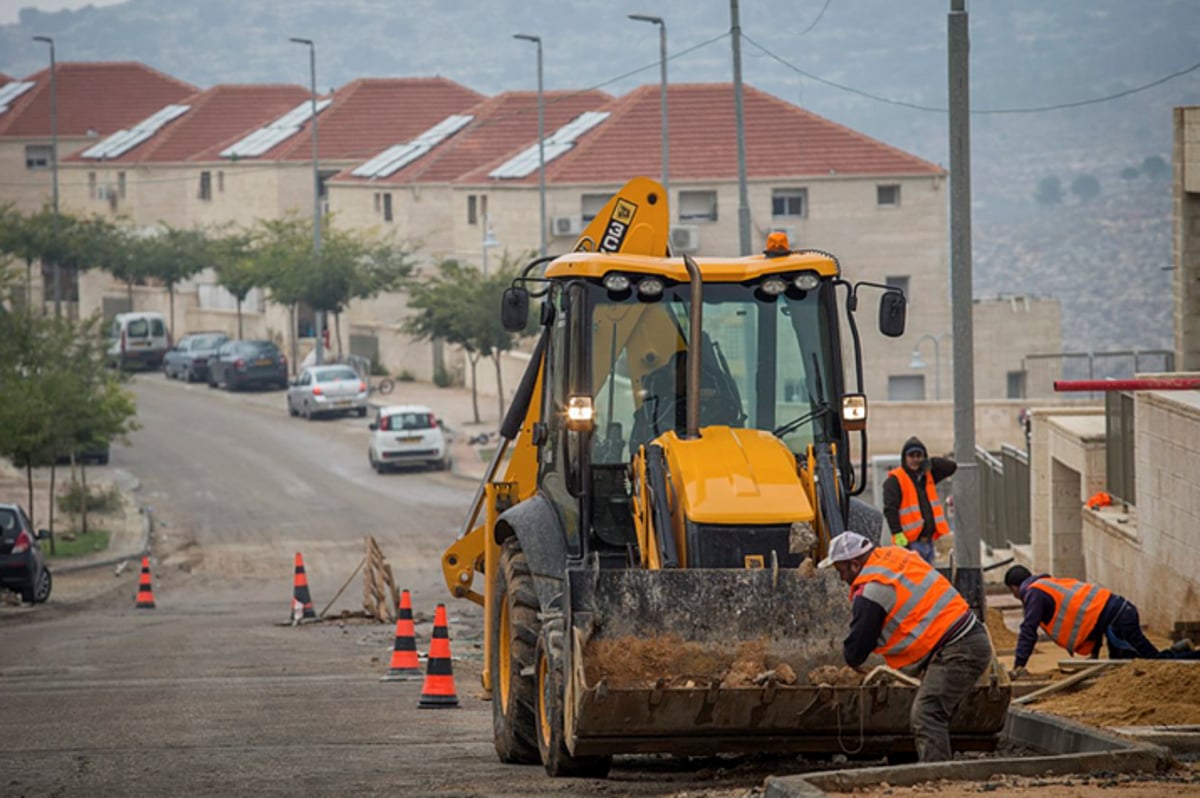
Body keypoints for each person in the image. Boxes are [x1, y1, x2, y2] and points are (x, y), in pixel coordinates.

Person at [819, 530, 992, 763]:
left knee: (927, 713)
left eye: (840, 571)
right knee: (927, 707)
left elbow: (856, 651)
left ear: (854, 564)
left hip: (958, 648)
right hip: (964, 638)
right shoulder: (898, 556)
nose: (841, 578)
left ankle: (939, 778)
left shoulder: (873, 589)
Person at [1003, 565, 1199, 678]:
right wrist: (1095, 656)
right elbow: (1087, 618)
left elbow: (1028, 630)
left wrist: (1019, 665)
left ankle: (1192, 657)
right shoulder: (1048, 585)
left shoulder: (1034, 594)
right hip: (1118, 615)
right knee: (1124, 666)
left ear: (1014, 588)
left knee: (1152, 664)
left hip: (1118, 619)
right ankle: (1180, 650)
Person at [882, 437, 956, 564]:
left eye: (919, 455)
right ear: (904, 458)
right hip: (910, 544)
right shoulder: (895, 480)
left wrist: (930, 462)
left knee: (926, 582)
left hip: (928, 543)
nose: (915, 459)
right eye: (911, 455)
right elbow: (890, 509)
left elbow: (951, 467)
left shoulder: (926, 476)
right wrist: (897, 534)